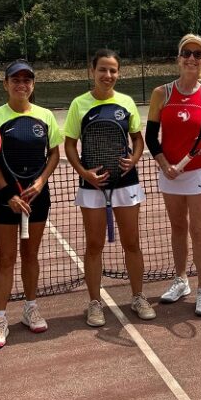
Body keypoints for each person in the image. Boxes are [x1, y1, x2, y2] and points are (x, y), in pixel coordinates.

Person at [64, 49, 156, 326]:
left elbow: (137, 139)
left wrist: (135, 158)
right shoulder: (79, 104)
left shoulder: (126, 102)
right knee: (94, 245)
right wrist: (83, 172)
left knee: (132, 243)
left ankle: (138, 297)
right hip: (92, 184)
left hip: (126, 183)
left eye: (113, 70)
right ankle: (94, 303)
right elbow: (69, 144)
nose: (108, 75)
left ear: (118, 73)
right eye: (102, 69)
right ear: (93, 71)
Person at [0, 59, 63, 349]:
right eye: (15, 80)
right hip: (4, 201)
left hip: (37, 198)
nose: (21, 84)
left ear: (33, 84)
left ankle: (31, 308)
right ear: (5, 84)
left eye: (26, 80)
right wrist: (9, 195)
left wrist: (41, 182)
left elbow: (54, 153)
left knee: (31, 256)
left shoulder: (46, 116)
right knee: (6, 260)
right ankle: (0, 318)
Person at [145, 34, 201, 316]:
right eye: (186, 53)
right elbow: (152, 137)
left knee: (199, 229)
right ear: (178, 58)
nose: (191, 58)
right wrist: (164, 164)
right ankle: (180, 280)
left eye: (197, 54)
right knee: (177, 227)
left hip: (200, 172)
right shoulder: (160, 93)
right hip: (170, 173)